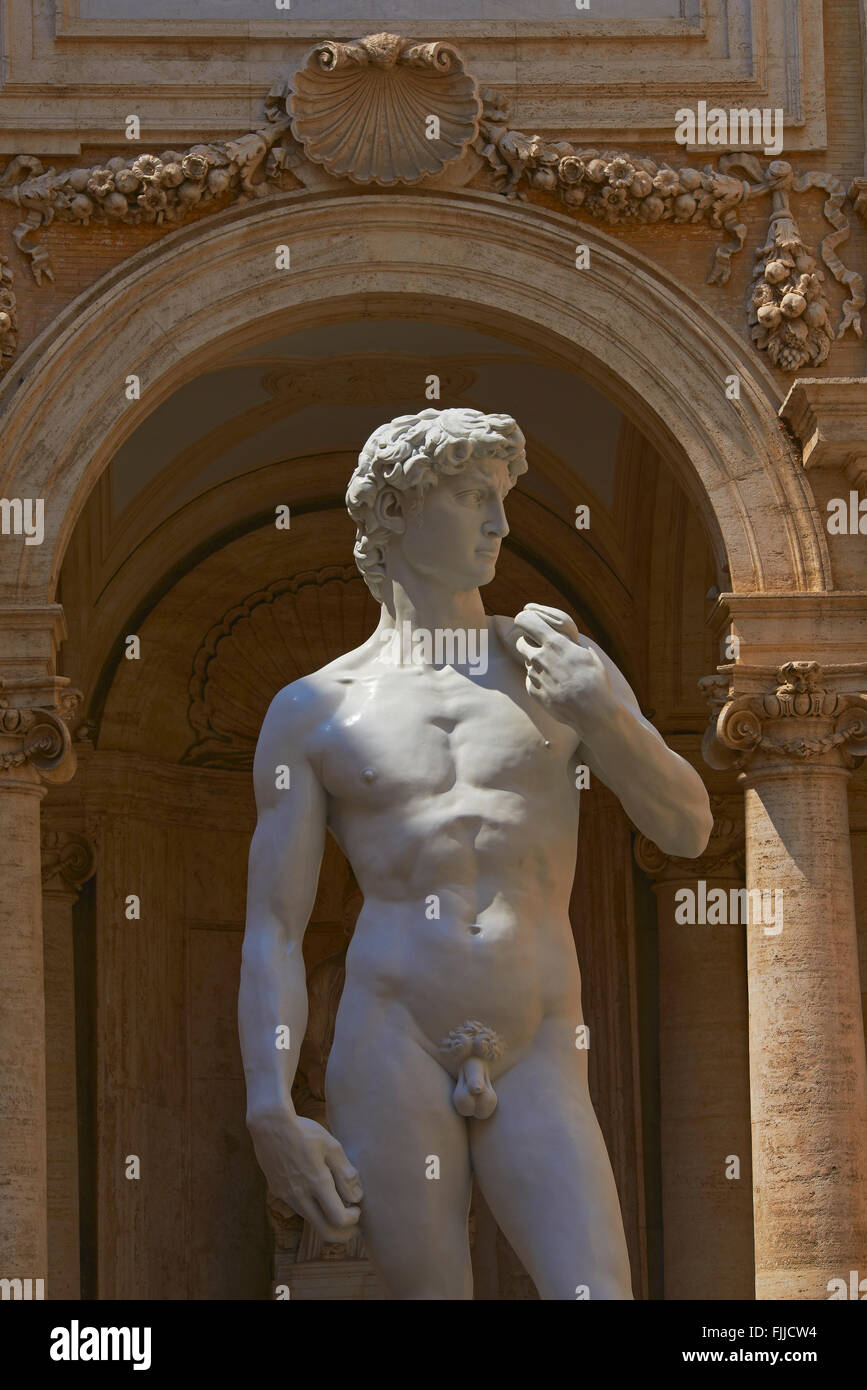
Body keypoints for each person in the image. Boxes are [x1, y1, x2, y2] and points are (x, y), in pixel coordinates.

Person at [239, 408, 713, 1299]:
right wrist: (269, 1106)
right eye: (468, 497)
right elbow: (273, 928)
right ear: (391, 513)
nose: (498, 523)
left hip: (533, 1040)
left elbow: (688, 828)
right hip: (389, 1040)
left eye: (500, 499)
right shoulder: (312, 710)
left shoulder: (552, 666)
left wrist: (605, 714)